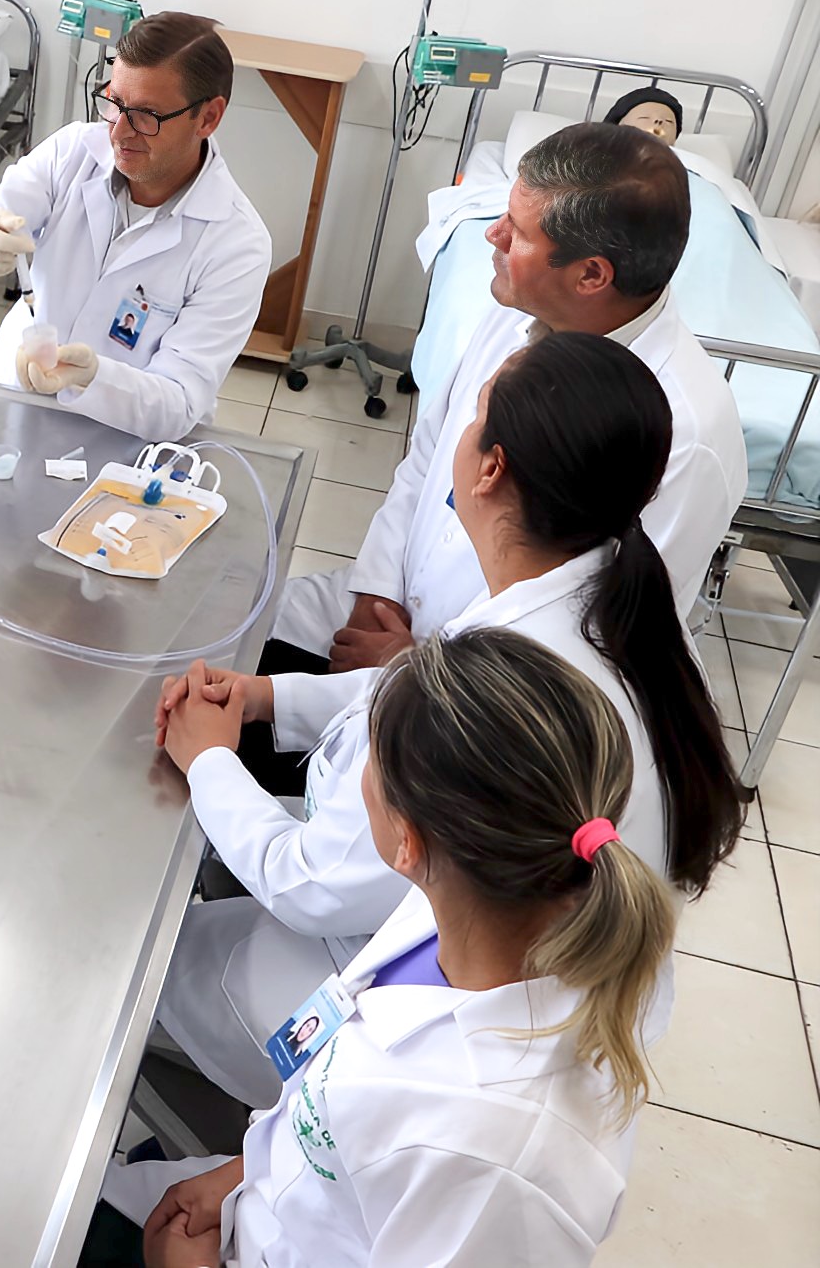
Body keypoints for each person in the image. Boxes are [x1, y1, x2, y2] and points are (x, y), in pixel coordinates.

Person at [155, 332, 744, 1107]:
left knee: (148, 969)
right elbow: (423, 688)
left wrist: (209, 759)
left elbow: (311, 883)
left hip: (408, 1014)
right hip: (488, 942)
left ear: (491, 469)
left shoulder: (507, 690)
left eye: (475, 416)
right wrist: (271, 698)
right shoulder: (610, 602)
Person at [88, 629, 676, 1267]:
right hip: (259, 1199)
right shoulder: (453, 913)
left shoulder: (498, 1160)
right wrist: (243, 1173)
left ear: (406, 842)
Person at [272, 121, 745, 675]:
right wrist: (378, 592)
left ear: (591, 275)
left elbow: (601, 636)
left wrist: (413, 667)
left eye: (517, 231)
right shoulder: (519, 309)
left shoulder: (686, 438)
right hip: (384, 609)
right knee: (222, 633)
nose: (491, 235)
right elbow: (427, 458)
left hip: (484, 690)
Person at [0, 11, 270, 439]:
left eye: (147, 115)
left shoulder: (236, 244)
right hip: (14, 408)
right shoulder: (72, 153)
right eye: (114, 102)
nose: (119, 132)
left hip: (123, 445)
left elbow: (179, 402)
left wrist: (92, 378)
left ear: (208, 117)